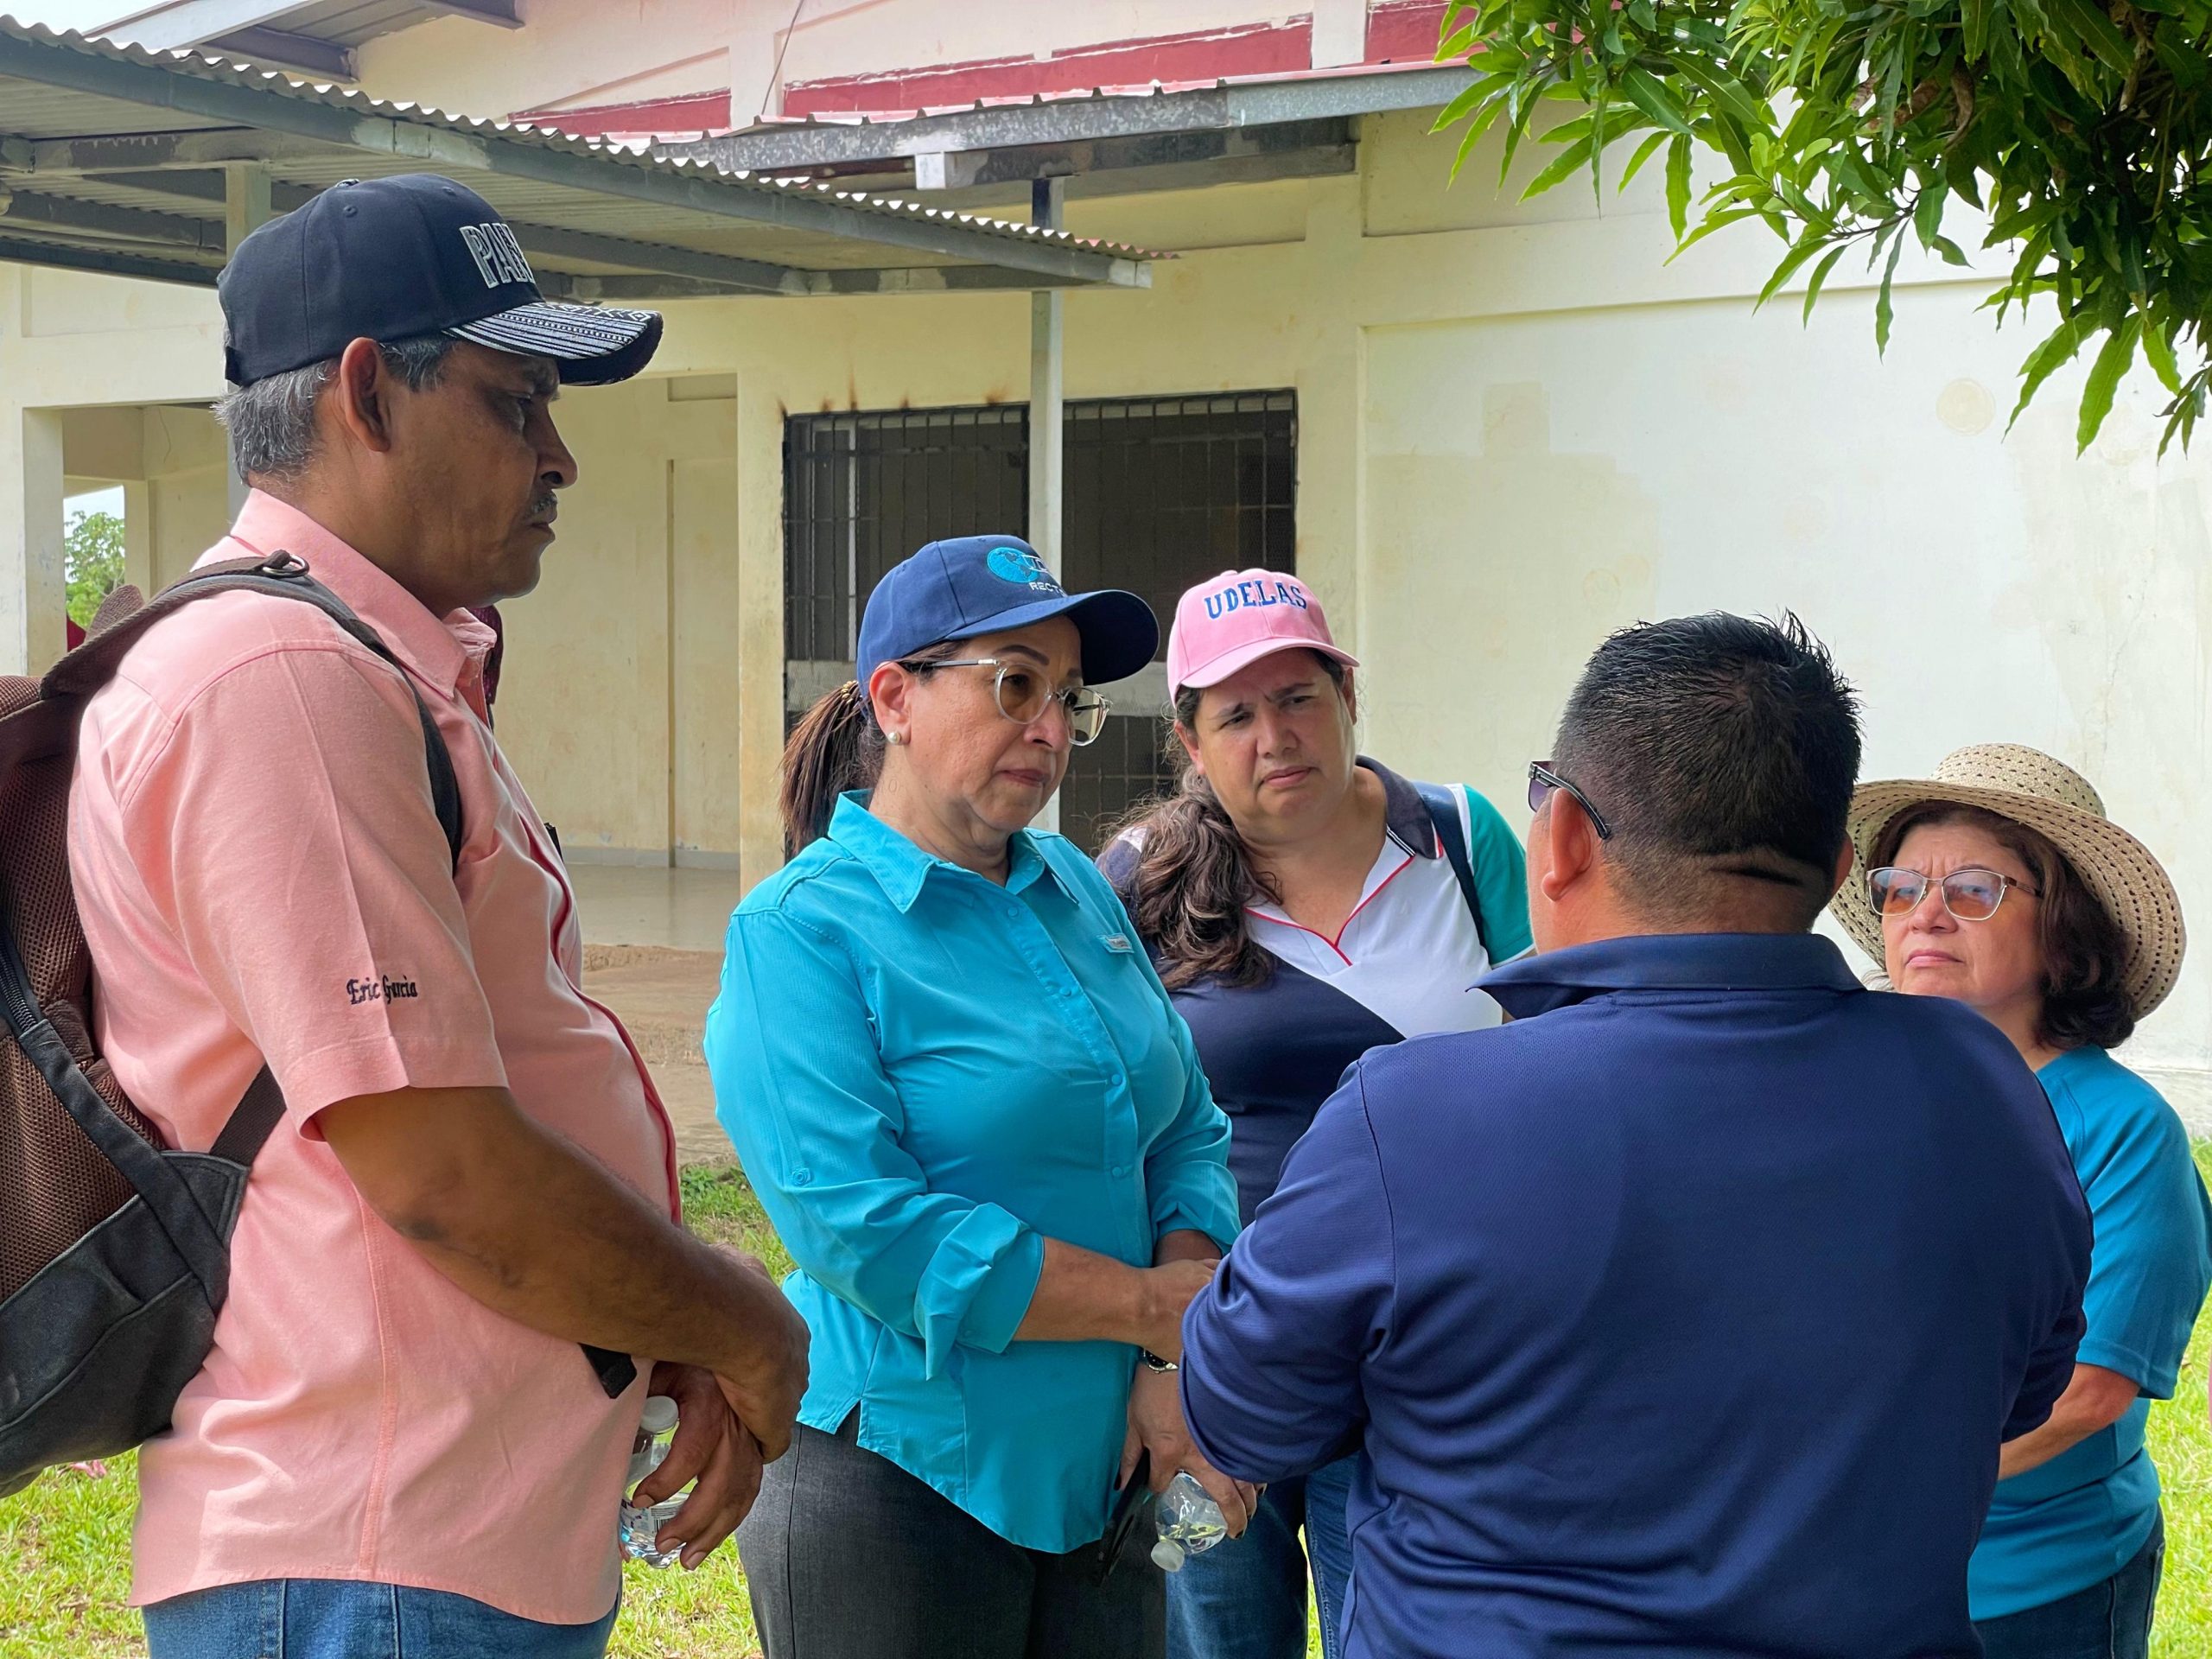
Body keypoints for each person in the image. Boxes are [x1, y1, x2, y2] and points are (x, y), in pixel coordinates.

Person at [71, 175, 807, 1659]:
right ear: (367, 394)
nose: (561, 457)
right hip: (368, 1561)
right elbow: (442, 1170)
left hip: (424, 1552)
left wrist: (645, 1316)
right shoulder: (280, 681)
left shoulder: (364, 668)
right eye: (516, 401)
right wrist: (742, 1320)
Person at [1176, 613, 2094, 1659]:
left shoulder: (1410, 1116)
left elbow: (1239, 1413)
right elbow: (2025, 1386)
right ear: (1838, 864)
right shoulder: (1983, 1087)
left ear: (1562, 837)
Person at [706, 535, 1245, 1659]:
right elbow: (867, 1228)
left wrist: (1162, 1365)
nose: (1049, 728)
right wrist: (1154, 1309)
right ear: (894, 698)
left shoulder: (1076, 897)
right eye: (1014, 684)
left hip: (1107, 1469)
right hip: (900, 1481)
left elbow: (1183, 1127)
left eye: (1068, 697)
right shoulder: (802, 930)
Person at [1097, 566, 1529, 1659]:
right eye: (1234, 714)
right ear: (1191, 744)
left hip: (1426, 1351)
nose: (1275, 736)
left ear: (1346, 699)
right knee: (1218, 1631)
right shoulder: (1139, 881)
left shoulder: (1464, 842)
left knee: (1394, 1627)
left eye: (1299, 698)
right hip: (1220, 1348)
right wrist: (1154, 1355)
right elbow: (1108, 1126)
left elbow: (1553, 1067)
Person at [1835, 744, 2212, 1659]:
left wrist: (1871, 1493)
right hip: (1838, 1575)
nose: (1923, 914)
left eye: (1972, 889)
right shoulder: (1847, 1087)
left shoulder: (2127, 1133)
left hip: (2027, 1588)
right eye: (1899, 886)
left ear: (2062, 927)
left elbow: (2087, 1393)